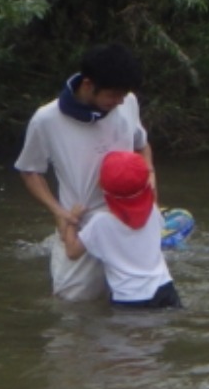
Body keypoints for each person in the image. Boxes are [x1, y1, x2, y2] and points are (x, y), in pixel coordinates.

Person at [16, 43, 156, 301]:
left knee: (138, 299)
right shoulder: (47, 119)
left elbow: (141, 144)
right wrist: (59, 212)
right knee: (73, 305)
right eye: (113, 95)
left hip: (129, 219)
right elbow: (29, 171)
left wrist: (150, 177)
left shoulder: (127, 103)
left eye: (124, 95)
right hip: (81, 222)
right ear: (89, 85)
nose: (120, 102)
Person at [58, 151, 180, 308]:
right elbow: (150, 188)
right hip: (164, 289)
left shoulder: (100, 223)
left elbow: (72, 252)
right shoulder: (153, 211)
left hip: (129, 297)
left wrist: (72, 220)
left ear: (101, 185)